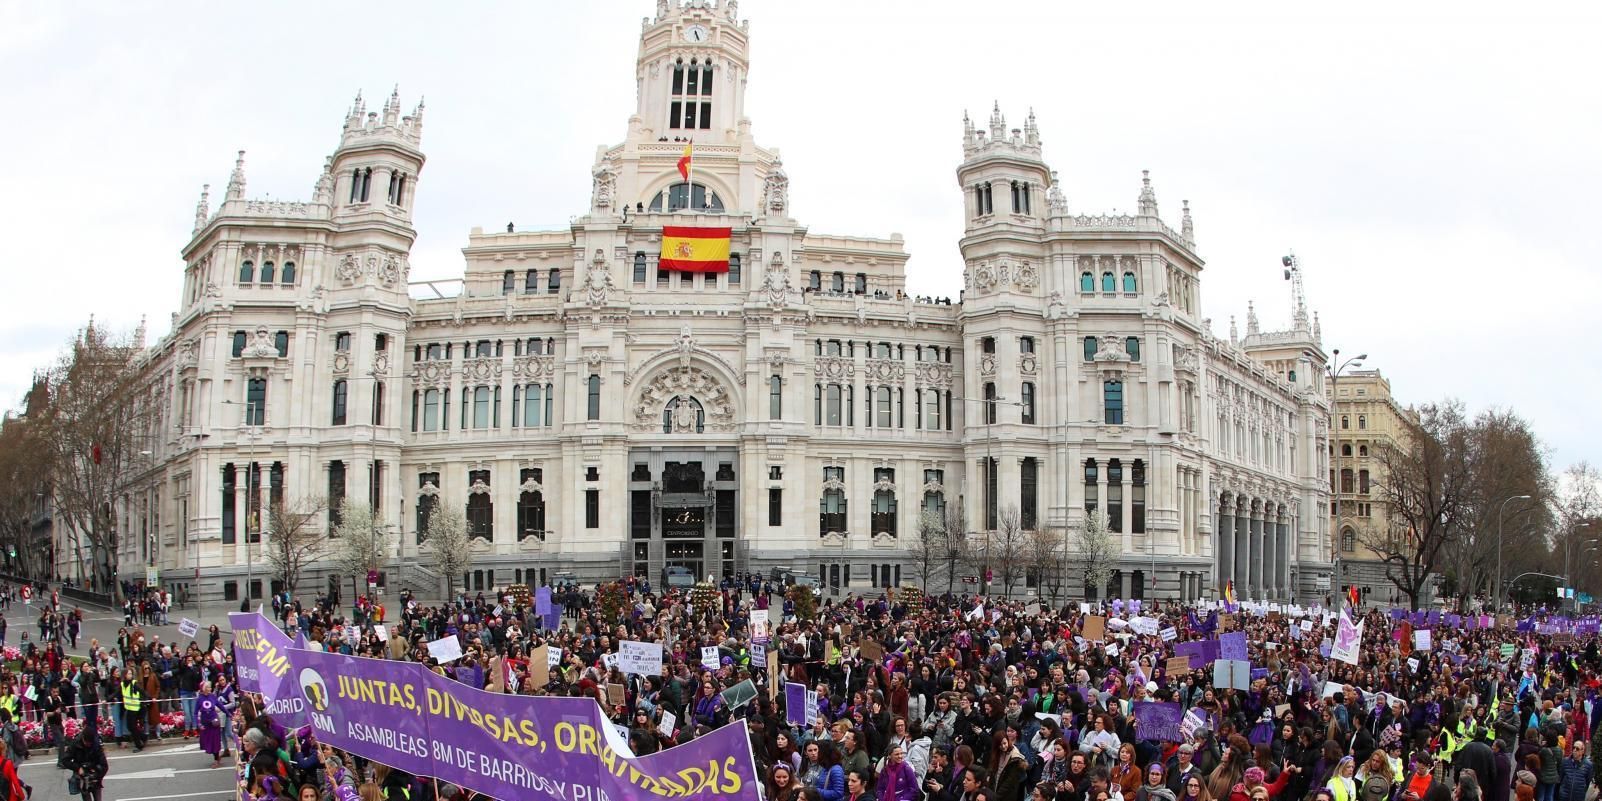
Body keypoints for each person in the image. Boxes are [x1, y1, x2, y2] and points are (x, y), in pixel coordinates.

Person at [63, 727, 107, 801]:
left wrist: (96, 775)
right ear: (82, 738)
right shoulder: (75, 743)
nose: (88, 744)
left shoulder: (96, 745)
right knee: (86, 797)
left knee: (98, 798)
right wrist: (78, 768)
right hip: (82, 777)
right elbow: (65, 760)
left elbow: (104, 765)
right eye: (86, 742)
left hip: (95, 775)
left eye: (90, 743)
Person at [195, 680, 225, 767]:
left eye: (210, 687)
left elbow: (220, 706)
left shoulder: (213, 696)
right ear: (203, 689)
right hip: (205, 724)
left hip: (214, 723)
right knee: (208, 742)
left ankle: (216, 760)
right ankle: (216, 756)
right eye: (208, 687)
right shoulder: (200, 699)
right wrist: (198, 723)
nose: (210, 688)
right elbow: (195, 713)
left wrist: (228, 714)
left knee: (215, 741)